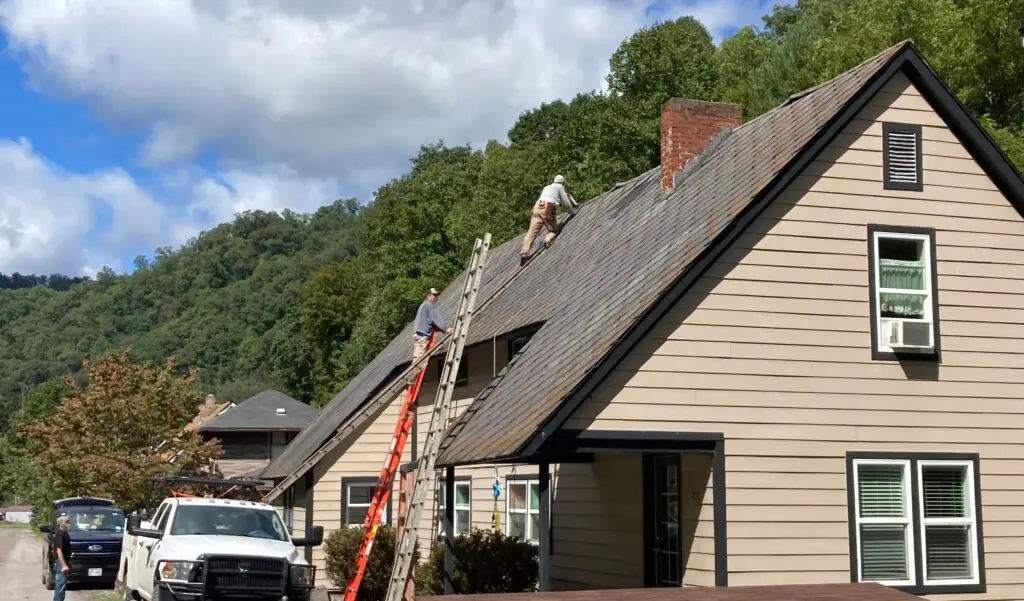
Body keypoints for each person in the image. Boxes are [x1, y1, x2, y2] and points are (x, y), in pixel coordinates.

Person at [520, 174, 578, 266]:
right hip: (547, 208)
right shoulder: (559, 187)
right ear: (563, 182)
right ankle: (546, 240)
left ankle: (525, 252)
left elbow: (553, 198)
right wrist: (572, 212)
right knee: (554, 230)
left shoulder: (547, 187)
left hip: (537, 207)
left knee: (531, 232)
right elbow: (566, 202)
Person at [412, 288, 450, 364]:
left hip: (417, 335)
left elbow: (431, 322)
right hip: (422, 336)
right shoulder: (430, 305)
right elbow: (436, 320)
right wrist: (446, 330)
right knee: (419, 363)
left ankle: (413, 375)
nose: (436, 297)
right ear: (428, 295)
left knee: (416, 359)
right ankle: (413, 375)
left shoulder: (423, 305)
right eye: (434, 295)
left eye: (437, 296)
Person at [53, 515, 71, 601]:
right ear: (62, 523)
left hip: (64, 561)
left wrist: (68, 562)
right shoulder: (59, 534)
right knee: (60, 585)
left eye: (69, 522)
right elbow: (59, 550)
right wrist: (63, 565)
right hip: (60, 563)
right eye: (67, 522)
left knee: (62, 584)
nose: (69, 524)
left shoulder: (65, 533)